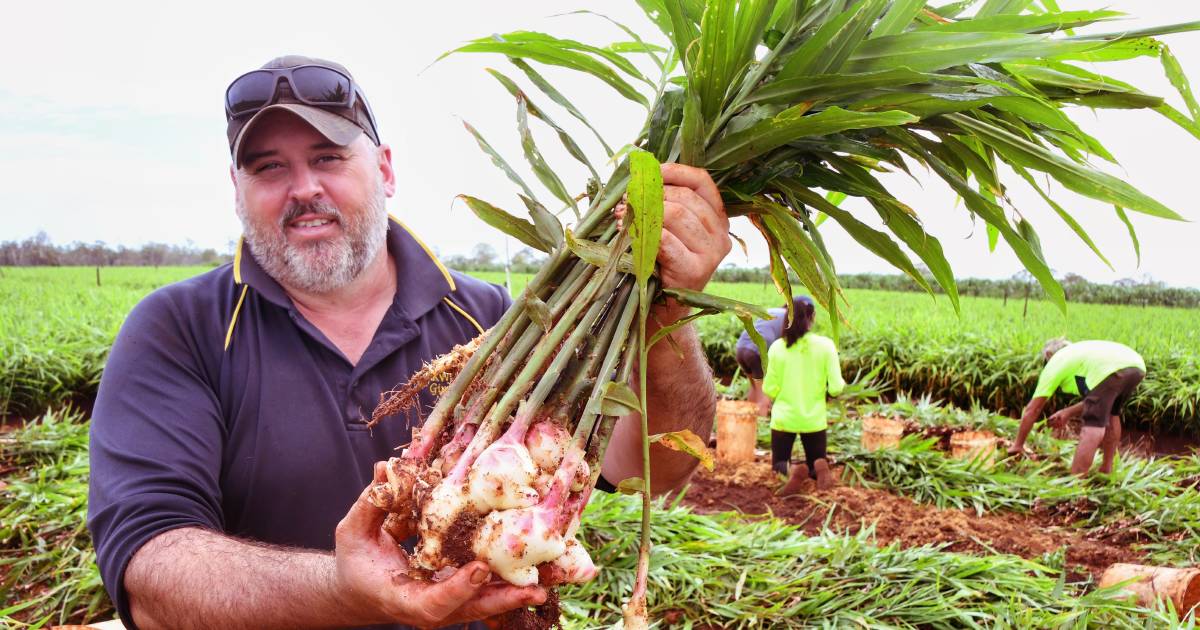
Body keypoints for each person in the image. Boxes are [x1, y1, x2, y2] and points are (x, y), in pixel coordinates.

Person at [86, 55, 731, 630]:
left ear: (386, 169)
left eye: (329, 157)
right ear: (237, 192)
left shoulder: (507, 321)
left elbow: (653, 468)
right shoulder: (177, 329)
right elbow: (151, 574)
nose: (304, 187)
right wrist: (348, 592)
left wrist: (663, 307)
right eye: (268, 167)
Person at [1008, 338, 1146, 476]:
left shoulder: (1057, 361)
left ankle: (1076, 481)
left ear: (1049, 355)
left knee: (1093, 425)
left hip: (1111, 370)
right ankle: (1106, 469)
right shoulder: (1080, 356)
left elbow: (1033, 409)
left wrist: (1018, 445)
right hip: (1136, 366)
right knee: (1112, 413)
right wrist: (1068, 412)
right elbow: (1097, 400)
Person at [761, 296, 845, 495]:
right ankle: (818, 468)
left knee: (779, 465)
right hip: (814, 419)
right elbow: (836, 388)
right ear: (812, 317)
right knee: (815, 462)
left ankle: (792, 470)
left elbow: (770, 389)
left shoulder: (778, 348)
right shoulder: (826, 346)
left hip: (784, 419)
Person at [734, 305, 788, 416]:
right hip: (756, 353)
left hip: (740, 349)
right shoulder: (789, 318)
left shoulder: (772, 311)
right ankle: (760, 425)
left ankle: (748, 419)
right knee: (764, 393)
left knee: (754, 387)